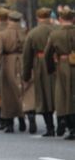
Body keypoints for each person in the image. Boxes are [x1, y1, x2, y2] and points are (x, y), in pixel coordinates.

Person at [0, 10, 26, 133]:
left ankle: (9, 123)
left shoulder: (3, 34)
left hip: (7, 63)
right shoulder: (25, 32)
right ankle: (22, 119)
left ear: (9, 20)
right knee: (21, 92)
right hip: (22, 62)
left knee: (8, 94)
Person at [22, 7, 56, 136]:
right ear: (49, 17)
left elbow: (27, 56)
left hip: (40, 66)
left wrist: (26, 75)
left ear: (38, 18)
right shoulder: (56, 29)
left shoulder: (32, 33)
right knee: (58, 95)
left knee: (44, 97)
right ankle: (63, 122)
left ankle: (50, 127)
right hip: (57, 63)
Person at [45, 7, 75, 140]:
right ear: (73, 19)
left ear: (60, 19)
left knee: (62, 96)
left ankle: (65, 121)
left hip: (62, 66)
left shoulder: (54, 34)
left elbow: (47, 54)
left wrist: (51, 68)